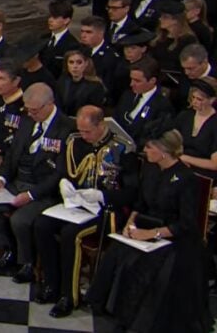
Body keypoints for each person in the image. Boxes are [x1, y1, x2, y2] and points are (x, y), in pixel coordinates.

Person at [87, 130, 211, 332]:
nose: (145, 151)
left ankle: (139, 320)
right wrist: (130, 222)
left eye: (149, 147)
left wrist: (152, 234)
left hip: (176, 237)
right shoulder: (151, 170)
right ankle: (112, 309)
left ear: (164, 151)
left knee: (143, 263)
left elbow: (186, 223)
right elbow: (140, 203)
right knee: (118, 251)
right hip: (147, 226)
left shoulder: (186, 179)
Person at [32, 105, 139, 318]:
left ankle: (68, 296)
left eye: (88, 131)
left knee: (71, 235)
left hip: (105, 210)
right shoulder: (74, 141)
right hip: (75, 204)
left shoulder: (122, 148)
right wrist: (65, 184)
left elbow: (132, 192)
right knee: (41, 224)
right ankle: (51, 284)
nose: (83, 135)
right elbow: (64, 171)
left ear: (101, 125)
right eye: (81, 130)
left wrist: (103, 196)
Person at [0, 83, 74, 281]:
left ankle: (27, 263)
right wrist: (1, 178)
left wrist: (31, 195)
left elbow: (60, 173)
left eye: (35, 110)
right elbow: (12, 153)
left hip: (43, 189)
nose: (31, 114)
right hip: (18, 181)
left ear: (49, 104)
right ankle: (6, 250)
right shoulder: (26, 121)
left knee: (20, 219)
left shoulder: (66, 128)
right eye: (28, 109)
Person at [113, 57, 173, 147]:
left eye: (137, 81)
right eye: (131, 79)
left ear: (152, 81)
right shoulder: (127, 95)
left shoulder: (162, 105)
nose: (131, 84)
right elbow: (116, 118)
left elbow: (153, 136)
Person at [174, 77, 217, 177]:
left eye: (199, 99)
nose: (194, 102)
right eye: (193, 97)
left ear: (212, 100)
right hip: (180, 167)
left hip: (203, 174)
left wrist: (185, 158)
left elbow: (215, 164)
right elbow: (171, 143)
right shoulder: (184, 116)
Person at [152, 0, 198, 76]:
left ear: (176, 20)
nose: (160, 19)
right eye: (161, 16)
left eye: (165, 17)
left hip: (176, 79)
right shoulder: (159, 37)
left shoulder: (188, 40)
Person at [55, 48, 107, 116]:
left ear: (86, 63)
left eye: (79, 62)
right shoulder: (63, 81)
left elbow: (94, 113)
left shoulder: (95, 86)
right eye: (71, 62)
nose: (75, 66)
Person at [40, 0, 80, 78]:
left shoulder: (72, 45)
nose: (50, 20)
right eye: (50, 16)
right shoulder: (43, 38)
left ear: (66, 20)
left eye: (55, 17)